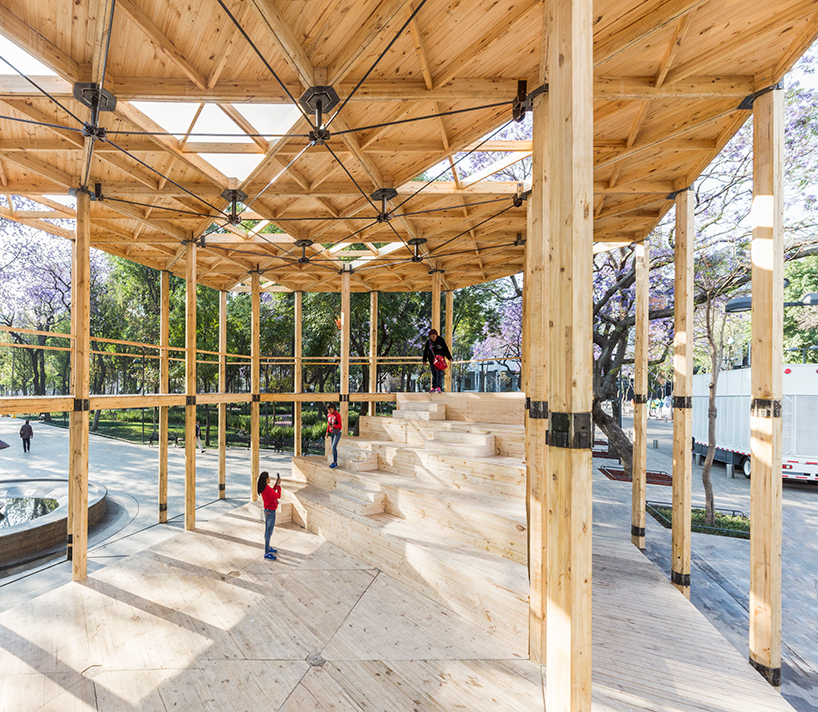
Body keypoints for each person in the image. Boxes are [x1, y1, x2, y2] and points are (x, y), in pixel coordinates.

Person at [257, 471, 281, 560]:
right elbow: (278, 495)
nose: (270, 478)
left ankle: (268, 547)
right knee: (268, 532)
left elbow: (272, 493)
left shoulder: (265, 488)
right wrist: (279, 486)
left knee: (268, 530)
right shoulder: (267, 489)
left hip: (267, 511)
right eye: (269, 477)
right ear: (266, 479)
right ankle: (266, 552)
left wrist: (276, 484)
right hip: (271, 512)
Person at [422, 328, 452, 393]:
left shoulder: (441, 340)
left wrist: (449, 357)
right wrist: (424, 360)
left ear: (436, 335)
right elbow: (425, 352)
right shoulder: (428, 342)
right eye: (431, 336)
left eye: (434, 336)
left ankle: (438, 387)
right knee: (434, 374)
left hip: (440, 361)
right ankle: (433, 387)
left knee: (439, 373)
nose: (433, 337)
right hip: (432, 360)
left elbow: (445, 349)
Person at [326, 403, 342, 469]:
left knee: (333, 447)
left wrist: (334, 426)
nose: (329, 411)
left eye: (330, 409)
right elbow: (328, 424)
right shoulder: (328, 415)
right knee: (332, 448)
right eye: (328, 410)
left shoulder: (337, 415)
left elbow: (340, 425)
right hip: (332, 432)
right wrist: (327, 431)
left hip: (337, 432)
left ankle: (335, 463)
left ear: (333, 408)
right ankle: (334, 461)